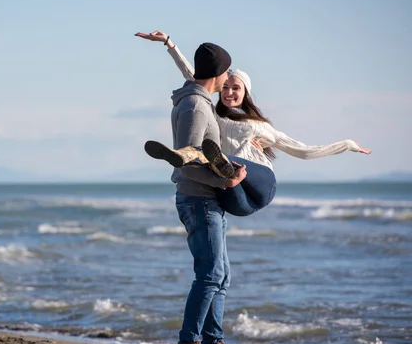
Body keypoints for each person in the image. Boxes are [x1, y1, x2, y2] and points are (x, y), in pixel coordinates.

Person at [136, 30, 371, 216]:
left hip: (261, 185)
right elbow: (196, 76)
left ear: (245, 92)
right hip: (236, 191)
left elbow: (304, 151)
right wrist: (169, 43)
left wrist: (347, 144)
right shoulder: (210, 112)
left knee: (217, 159)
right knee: (221, 175)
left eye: (235, 88)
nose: (228, 92)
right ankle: (196, 158)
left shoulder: (256, 126)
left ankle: (196, 156)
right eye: (225, 87)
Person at [158, 40, 254, 344]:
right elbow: (186, 164)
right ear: (218, 73)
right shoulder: (196, 108)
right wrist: (225, 183)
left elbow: (199, 155)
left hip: (207, 200)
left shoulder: (200, 101)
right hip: (199, 199)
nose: (228, 76)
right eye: (226, 70)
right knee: (210, 275)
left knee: (221, 277)